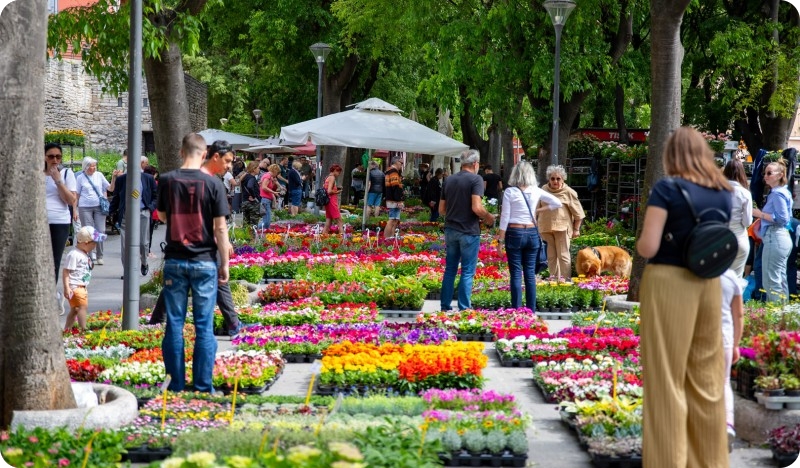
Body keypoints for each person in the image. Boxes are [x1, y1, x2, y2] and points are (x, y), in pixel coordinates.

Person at [636, 126, 733, 468]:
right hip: (709, 284)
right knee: (706, 379)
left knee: (666, 380)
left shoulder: (667, 188)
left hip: (669, 283)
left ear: (672, 154)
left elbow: (648, 246)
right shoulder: (723, 192)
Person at [157, 132, 230, 393]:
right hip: (204, 261)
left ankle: (175, 386)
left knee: (174, 323)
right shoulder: (213, 184)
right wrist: (225, 263)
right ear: (204, 153)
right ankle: (202, 386)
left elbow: (162, 216)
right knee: (204, 324)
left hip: (175, 260)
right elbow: (220, 229)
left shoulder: (166, 180)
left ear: (181, 152)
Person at [497, 161, 562, 310]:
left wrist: (500, 240)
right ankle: (531, 311)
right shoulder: (536, 191)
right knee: (530, 274)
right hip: (532, 232)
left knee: (515, 274)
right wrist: (540, 210)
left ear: (515, 174)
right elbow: (557, 203)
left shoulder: (510, 192)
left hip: (514, 232)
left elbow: (505, 217)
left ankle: (516, 309)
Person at [439, 149, 496, 311]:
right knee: (467, 271)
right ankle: (464, 308)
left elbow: (442, 209)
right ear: (475, 164)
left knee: (450, 269)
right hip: (468, 231)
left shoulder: (448, 180)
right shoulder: (476, 179)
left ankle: (445, 305)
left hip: (450, 229)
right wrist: (489, 217)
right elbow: (477, 207)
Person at [109, 155, 157, 277]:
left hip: (143, 213)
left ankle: (144, 262)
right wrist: (111, 211)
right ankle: (127, 270)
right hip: (126, 214)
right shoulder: (122, 179)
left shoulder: (148, 178)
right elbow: (116, 197)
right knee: (125, 244)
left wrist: (150, 208)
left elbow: (156, 196)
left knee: (143, 242)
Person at [753, 160, 793, 302]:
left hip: (775, 236)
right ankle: (784, 317)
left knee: (771, 282)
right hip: (780, 237)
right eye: (765, 173)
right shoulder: (782, 192)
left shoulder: (777, 193)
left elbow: (783, 218)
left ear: (780, 175)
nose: (765, 176)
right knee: (780, 280)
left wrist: (759, 214)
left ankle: (775, 320)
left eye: (769, 173)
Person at [536, 165, 585, 280]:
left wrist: (576, 229)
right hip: (545, 228)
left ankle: (566, 281)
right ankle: (554, 280)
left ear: (563, 179)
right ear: (549, 179)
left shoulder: (568, 192)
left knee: (563, 255)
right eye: (552, 178)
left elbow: (579, 213)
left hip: (562, 228)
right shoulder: (543, 190)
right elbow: (536, 209)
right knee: (551, 256)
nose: (555, 181)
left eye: (558, 179)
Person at [62, 226, 106, 332]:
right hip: (76, 286)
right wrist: (66, 287)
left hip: (81, 286)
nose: (95, 245)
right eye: (93, 243)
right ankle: (83, 329)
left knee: (75, 310)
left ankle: (67, 329)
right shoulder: (74, 254)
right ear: (85, 243)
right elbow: (66, 271)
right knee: (82, 307)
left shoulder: (84, 254)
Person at [44, 143, 78, 282]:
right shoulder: (36, 173)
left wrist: (58, 181)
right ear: (44, 157)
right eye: (51, 156)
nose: (55, 160)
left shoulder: (66, 173)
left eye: (58, 157)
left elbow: (70, 200)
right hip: (38, 221)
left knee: (54, 260)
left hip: (59, 221)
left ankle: (51, 294)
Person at [720, 269, 744, 451]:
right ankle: (728, 424)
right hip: (725, 341)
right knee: (725, 383)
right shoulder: (731, 277)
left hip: (699, 341)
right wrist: (736, 344)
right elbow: (739, 315)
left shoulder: (695, 273)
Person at [76, 157, 111, 265]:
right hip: (84, 206)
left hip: (99, 206)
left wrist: (114, 177)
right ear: (85, 167)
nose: (93, 168)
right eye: (91, 166)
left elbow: (110, 188)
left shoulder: (99, 175)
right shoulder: (80, 177)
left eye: (94, 166)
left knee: (100, 230)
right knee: (88, 232)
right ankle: (90, 256)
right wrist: (74, 209)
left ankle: (100, 255)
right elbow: (77, 194)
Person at [722, 159, 753, 277]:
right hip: (738, 239)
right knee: (736, 280)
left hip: (718, 239)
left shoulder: (716, 190)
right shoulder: (745, 193)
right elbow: (747, 222)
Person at [384, 156, 405, 239]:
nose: (402, 165)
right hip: (394, 200)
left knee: (395, 220)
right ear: (396, 162)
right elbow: (395, 187)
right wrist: (399, 200)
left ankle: (392, 237)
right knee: (392, 219)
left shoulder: (389, 171)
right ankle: (386, 238)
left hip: (392, 199)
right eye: (401, 163)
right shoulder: (393, 172)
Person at [323, 164, 344, 235]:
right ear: (335, 171)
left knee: (329, 218)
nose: (339, 174)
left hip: (327, 201)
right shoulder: (332, 178)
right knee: (339, 219)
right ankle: (342, 235)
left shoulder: (327, 177)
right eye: (338, 172)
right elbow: (329, 191)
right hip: (331, 200)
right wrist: (337, 191)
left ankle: (324, 234)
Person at [258, 163, 281, 230]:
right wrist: (274, 192)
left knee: (267, 220)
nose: (277, 175)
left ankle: (262, 232)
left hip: (266, 199)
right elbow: (264, 187)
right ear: (275, 171)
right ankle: (255, 228)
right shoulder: (267, 176)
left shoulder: (268, 176)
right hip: (265, 200)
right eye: (277, 173)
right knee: (266, 221)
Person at [240, 161, 262, 227]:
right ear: (254, 169)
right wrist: (254, 196)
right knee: (254, 224)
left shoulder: (245, 177)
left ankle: (245, 236)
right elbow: (250, 186)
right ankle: (253, 237)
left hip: (244, 201)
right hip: (252, 204)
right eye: (258, 168)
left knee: (246, 222)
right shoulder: (252, 178)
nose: (259, 169)